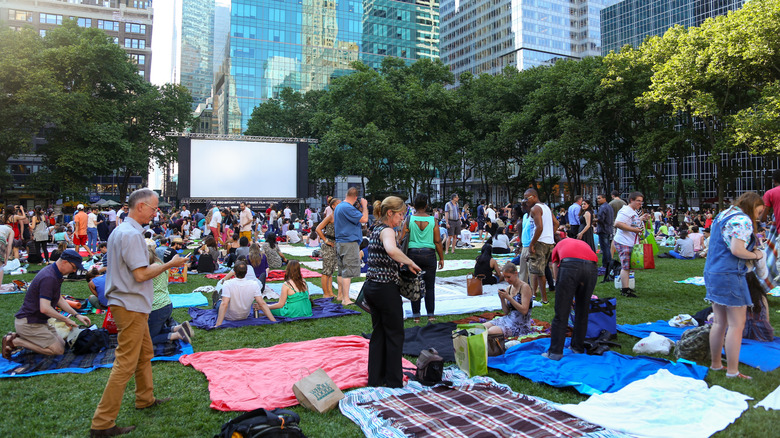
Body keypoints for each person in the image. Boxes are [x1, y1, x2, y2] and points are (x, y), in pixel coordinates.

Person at [90, 188, 188, 437]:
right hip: (130, 304)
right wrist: (169, 264)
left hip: (130, 303)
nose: (157, 213)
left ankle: (145, 398)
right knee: (125, 363)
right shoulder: (131, 235)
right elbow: (141, 274)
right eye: (155, 208)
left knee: (144, 353)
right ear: (141, 207)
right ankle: (102, 423)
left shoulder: (121, 231)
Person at [704, 191, 764, 380]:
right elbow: (737, 250)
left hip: (712, 272)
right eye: (759, 212)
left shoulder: (724, 214)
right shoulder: (743, 220)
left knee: (720, 322)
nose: (759, 217)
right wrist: (756, 255)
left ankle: (716, 364)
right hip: (730, 274)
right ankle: (732, 371)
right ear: (752, 206)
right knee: (737, 325)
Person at [364, 196, 421, 388]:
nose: (401, 219)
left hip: (372, 288)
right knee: (395, 335)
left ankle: (376, 378)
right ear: (390, 213)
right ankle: (394, 381)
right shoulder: (387, 230)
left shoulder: (375, 229)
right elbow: (391, 250)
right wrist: (410, 262)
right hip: (385, 289)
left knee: (379, 333)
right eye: (400, 215)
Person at [3, 250, 91, 359]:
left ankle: (25, 337)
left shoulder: (55, 273)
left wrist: (76, 315)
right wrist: (66, 319)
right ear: (64, 262)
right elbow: (45, 308)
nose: (74, 270)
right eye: (73, 267)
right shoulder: (49, 277)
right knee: (58, 351)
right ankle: (16, 342)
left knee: (62, 345)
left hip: (39, 321)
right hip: (29, 323)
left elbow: (59, 299)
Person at [543, 238, 598, 360]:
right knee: (582, 311)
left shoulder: (557, 247)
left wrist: (561, 290)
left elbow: (556, 271)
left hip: (570, 267)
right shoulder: (583, 243)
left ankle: (555, 352)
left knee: (561, 313)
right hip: (592, 268)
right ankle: (577, 348)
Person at [399, 194, 444, 324]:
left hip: (412, 255)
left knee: (414, 285)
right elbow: (437, 241)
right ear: (426, 206)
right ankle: (430, 315)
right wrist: (441, 258)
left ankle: (416, 316)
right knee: (430, 287)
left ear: (414, 205)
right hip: (429, 254)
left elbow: (401, 239)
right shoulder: (432, 220)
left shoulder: (409, 219)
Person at [146, 244, 193, 345]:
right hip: (166, 303)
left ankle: (177, 335)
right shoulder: (160, 264)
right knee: (155, 329)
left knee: (147, 338)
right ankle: (178, 328)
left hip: (156, 307)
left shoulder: (149, 270)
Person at [214, 261, 276, 327]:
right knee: (222, 301)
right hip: (244, 315)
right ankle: (218, 299)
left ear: (234, 273)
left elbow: (224, 304)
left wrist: (218, 324)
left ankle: (216, 301)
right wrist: (273, 320)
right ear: (246, 272)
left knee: (219, 303)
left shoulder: (228, 284)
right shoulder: (254, 284)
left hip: (229, 316)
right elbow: (262, 303)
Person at [334, 187, 368, 306]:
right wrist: (364, 206)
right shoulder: (347, 207)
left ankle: (340, 295)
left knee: (342, 271)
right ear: (355, 198)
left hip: (341, 242)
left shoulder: (339, 206)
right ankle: (346, 299)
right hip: (349, 242)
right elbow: (364, 219)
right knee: (348, 272)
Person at [524, 189, 559, 304]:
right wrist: (550, 235)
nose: (525, 201)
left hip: (539, 242)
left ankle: (544, 299)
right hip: (549, 242)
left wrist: (532, 243)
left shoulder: (535, 209)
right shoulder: (546, 207)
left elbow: (539, 227)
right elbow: (556, 223)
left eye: (527, 198)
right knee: (539, 270)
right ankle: (534, 294)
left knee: (539, 272)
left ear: (534, 196)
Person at [613, 192, 649, 298]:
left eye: (641, 201)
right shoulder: (625, 210)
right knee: (626, 266)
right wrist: (634, 230)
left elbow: (630, 222)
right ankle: (625, 290)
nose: (640, 203)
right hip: (624, 241)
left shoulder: (632, 211)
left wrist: (641, 218)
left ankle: (626, 287)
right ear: (631, 200)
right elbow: (618, 223)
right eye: (638, 201)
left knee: (629, 266)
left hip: (629, 241)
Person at [483, 263, 533, 337]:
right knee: (482, 327)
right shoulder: (509, 288)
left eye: (509, 277)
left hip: (520, 325)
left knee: (490, 332)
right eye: (505, 277)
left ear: (516, 273)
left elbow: (524, 310)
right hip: (508, 319)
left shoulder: (524, 287)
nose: (506, 280)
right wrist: (502, 299)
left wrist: (509, 298)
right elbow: (506, 311)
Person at [315, 197, 341, 299]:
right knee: (326, 271)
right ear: (333, 206)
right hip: (329, 244)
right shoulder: (330, 217)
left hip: (335, 244)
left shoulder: (339, 217)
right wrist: (326, 241)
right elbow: (318, 229)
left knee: (331, 270)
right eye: (338, 203)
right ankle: (325, 293)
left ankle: (330, 292)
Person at [595, 194, 614, 282]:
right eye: (597, 198)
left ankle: (606, 264)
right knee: (607, 247)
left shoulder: (603, 207)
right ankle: (608, 263)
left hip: (603, 229)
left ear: (604, 198)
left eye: (599, 198)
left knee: (605, 248)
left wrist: (593, 220)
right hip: (608, 229)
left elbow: (601, 219)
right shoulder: (609, 206)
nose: (598, 200)